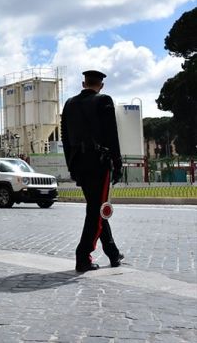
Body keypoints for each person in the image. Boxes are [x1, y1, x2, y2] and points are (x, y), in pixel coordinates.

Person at [61, 70, 125, 273]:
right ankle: (83, 256)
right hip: (98, 162)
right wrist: (118, 163)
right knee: (96, 211)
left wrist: (71, 166)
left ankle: (113, 252)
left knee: (96, 207)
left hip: (78, 163)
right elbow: (111, 134)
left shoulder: (69, 104)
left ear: (83, 83)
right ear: (101, 85)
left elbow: (65, 139)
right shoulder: (104, 100)